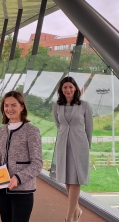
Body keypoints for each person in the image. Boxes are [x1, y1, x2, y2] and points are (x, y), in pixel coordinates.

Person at [0, 91, 42, 222]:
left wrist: (18, 178)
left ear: (22, 107)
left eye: (13, 105)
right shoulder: (1, 131)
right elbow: (0, 155)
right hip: (3, 189)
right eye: (6, 105)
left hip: (22, 190)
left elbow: (37, 164)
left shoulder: (31, 131)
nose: (9, 109)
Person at [52, 76, 93, 222]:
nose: (68, 90)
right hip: (63, 145)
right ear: (61, 90)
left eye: (70, 87)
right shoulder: (57, 106)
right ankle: (77, 211)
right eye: (65, 88)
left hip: (80, 145)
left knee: (75, 180)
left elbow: (89, 129)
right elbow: (59, 125)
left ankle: (69, 218)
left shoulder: (85, 105)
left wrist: (87, 148)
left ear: (75, 88)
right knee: (67, 180)